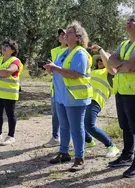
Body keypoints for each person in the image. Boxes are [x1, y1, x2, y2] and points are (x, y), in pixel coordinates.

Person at [44, 21, 92, 172]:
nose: (65, 35)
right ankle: (64, 153)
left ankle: (80, 158)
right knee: (64, 126)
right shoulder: (65, 52)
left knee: (76, 128)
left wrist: (56, 68)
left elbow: (76, 73)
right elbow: (59, 70)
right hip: (61, 96)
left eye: (69, 32)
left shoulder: (80, 53)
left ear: (78, 37)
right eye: (65, 33)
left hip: (75, 97)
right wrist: (50, 69)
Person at [108, 13, 135, 178]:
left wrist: (119, 65)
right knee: (125, 126)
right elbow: (111, 60)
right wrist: (122, 66)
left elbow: (132, 64)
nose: (128, 22)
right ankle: (127, 156)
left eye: (132, 20)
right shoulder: (124, 43)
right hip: (120, 90)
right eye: (128, 20)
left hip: (133, 91)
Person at [84, 46, 119, 158]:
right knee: (76, 123)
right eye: (98, 59)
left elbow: (109, 65)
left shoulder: (110, 73)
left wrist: (101, 51)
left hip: (95, 100)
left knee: (89, 126)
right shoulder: (92, 71)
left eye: (102, 60)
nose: (99, 61)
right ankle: (89, 141)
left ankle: (111, 146)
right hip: (83, 99)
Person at [0, 38, 23, 145]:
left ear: (12, 50)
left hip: (9, 93)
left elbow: (8, 71)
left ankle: (11, 136)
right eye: (3, 45)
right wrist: (0, 73)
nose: (4, 47)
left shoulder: (15, 61)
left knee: (10, 115)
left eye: (7, 46)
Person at [43, 28, 68, 148]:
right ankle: (55, 137)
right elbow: (54, 72)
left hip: (68, 87)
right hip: (56, 87)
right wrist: (49, 69)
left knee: (70, 115)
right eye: (60, 34)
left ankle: (84, 138)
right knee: (55, 114)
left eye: (65, 33)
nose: (62, 36)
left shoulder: (73, 50)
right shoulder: (54, 51)